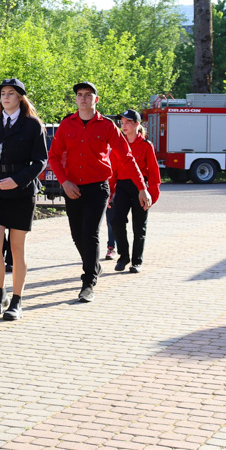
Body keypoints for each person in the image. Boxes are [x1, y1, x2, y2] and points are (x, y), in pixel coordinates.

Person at [47, 82, 150, 304]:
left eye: (88, 95)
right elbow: (53, 156)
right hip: (72, 187)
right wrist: (64, 182)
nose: (83, 98)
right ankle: (94, 266)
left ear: (96, 99)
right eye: (79, 95)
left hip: (97, 187)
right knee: (77, 234)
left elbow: (127, 157)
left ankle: (88, 282)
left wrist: (142, 187)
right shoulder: (67, 125)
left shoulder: (108, 126)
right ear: (75, 99)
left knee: (90, 233)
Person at [0, 78, 48, 321]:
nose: (5, 97)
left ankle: (17, 300)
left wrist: (18, 180)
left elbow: (40, 161)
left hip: (22, 191)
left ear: (20, 97)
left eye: (10, 93)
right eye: (3, 94)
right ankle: (0, 294)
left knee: (17, 249)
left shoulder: (32, 125)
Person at [110, 109, 161, 274]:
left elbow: (154, 172)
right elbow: (112, 171)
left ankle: (136, 261)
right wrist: (110, 193)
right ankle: (123, 256)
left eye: (128, 123)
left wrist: (152, 195)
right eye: (122, 123)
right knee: (117, 221)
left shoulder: (146, 145)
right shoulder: (118, 145)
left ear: (137, 125)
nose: (123, 126)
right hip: (122, 188)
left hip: (141, 189)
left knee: (139, 226)